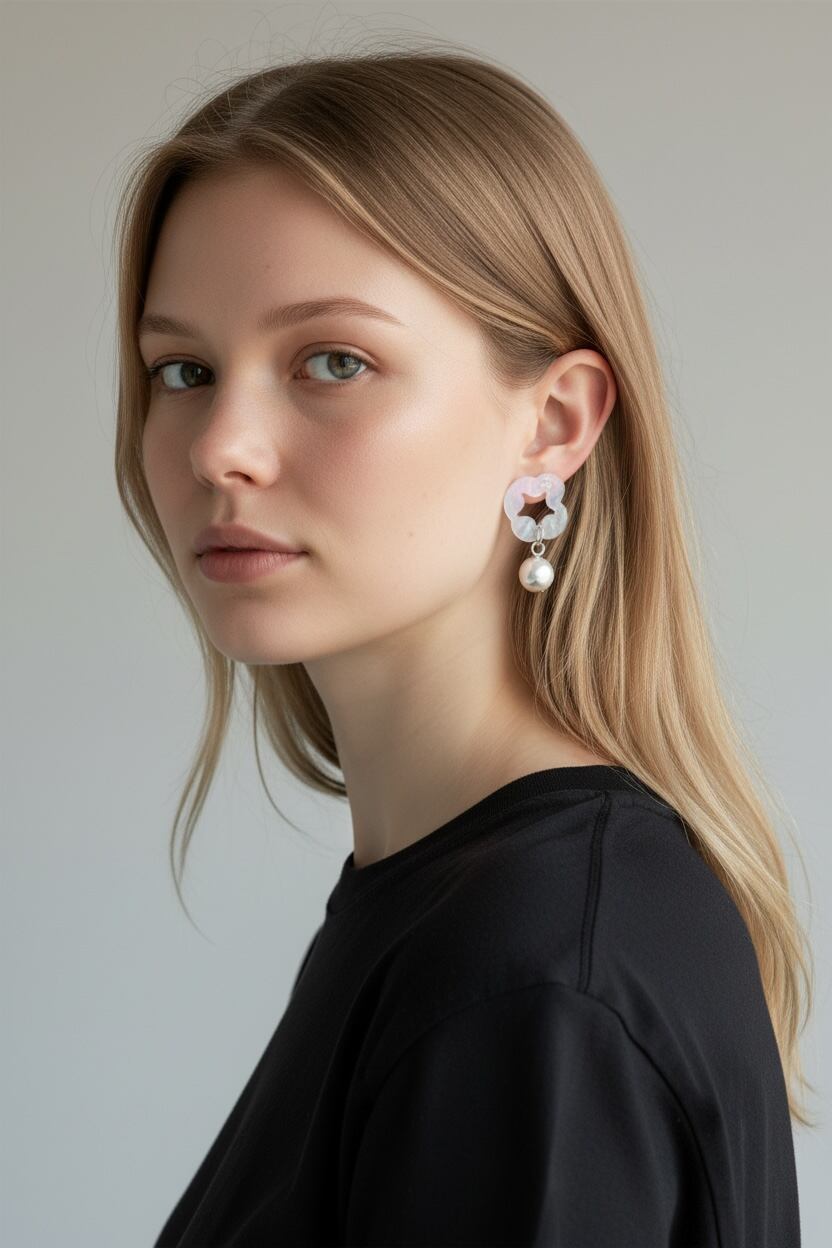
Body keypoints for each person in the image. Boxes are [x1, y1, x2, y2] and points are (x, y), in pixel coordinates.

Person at [113, 41, 814, 1247]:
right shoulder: (468, 914)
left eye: (333, 361)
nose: (219, 445)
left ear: (553, 422)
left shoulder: (534, 980)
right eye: (184, 369)